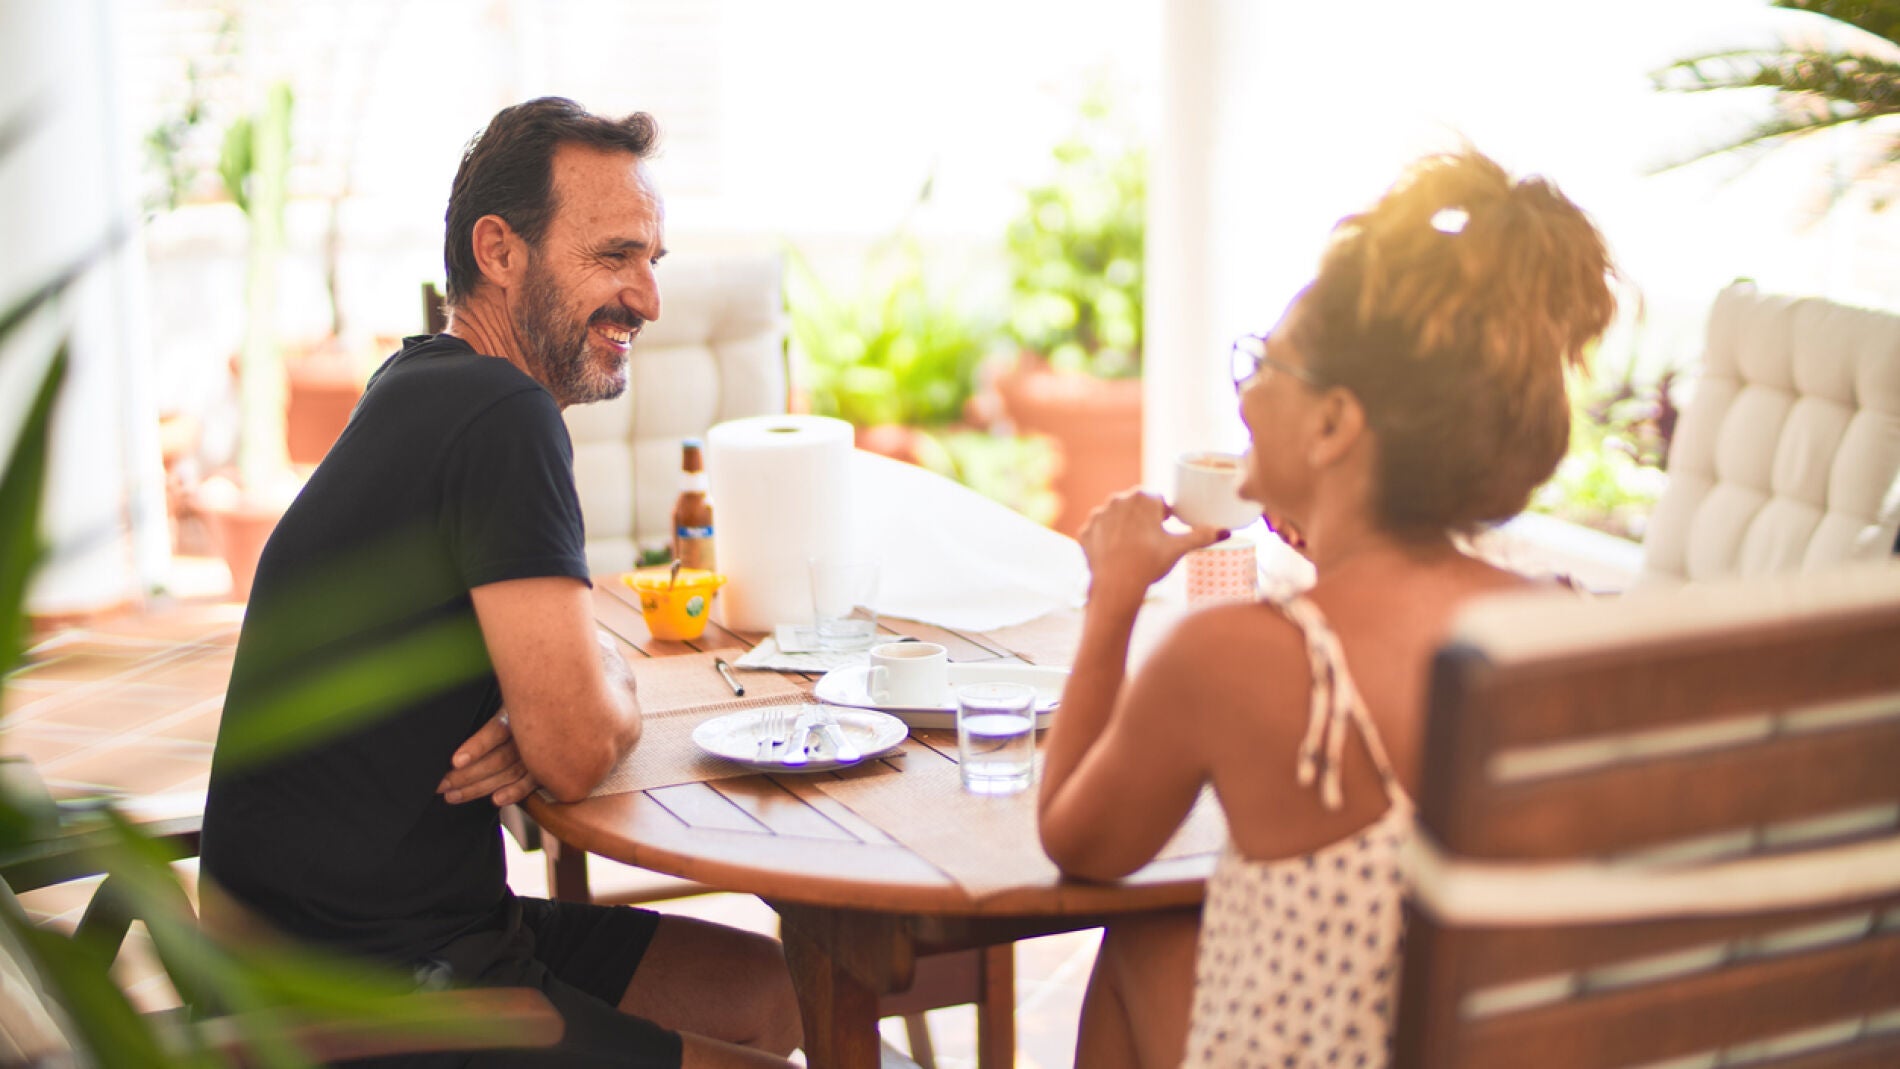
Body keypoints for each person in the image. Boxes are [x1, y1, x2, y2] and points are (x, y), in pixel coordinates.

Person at [200, 98, 802, 1069]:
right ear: (499, 250)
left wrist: (566, 692)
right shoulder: (500, 414)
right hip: (362, 991)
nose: (648, 299)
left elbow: (550, 716)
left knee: (771, 991)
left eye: (653, 260)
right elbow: (574, 749)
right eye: (615, 256)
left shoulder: (418, 384)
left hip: (414, 936)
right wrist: (606, 684)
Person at [1037, 148, 1616, 1068]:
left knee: (1135, 934)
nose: (1246, 390)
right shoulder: (1569, 628)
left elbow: (1080, 842)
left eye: (1266, 363)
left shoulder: (1235, 656)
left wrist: (1113, 600)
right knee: (1157, 940)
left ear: (1336, 424)